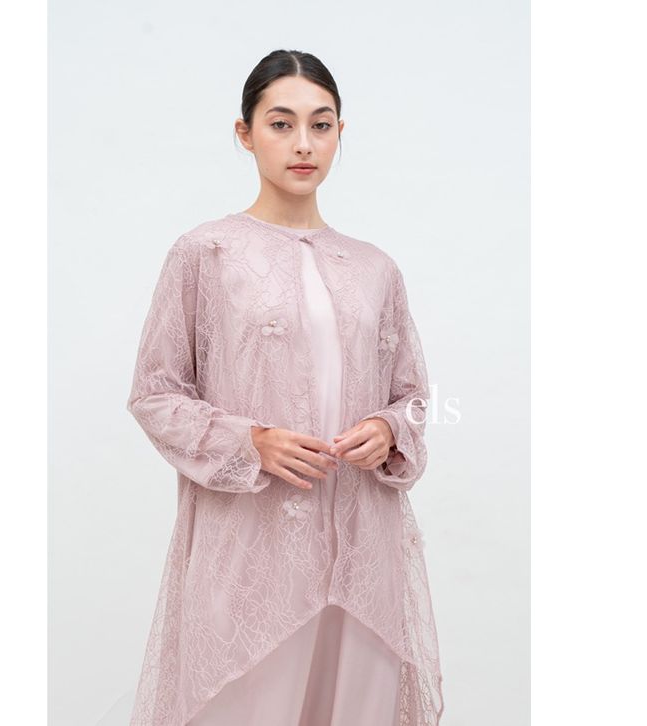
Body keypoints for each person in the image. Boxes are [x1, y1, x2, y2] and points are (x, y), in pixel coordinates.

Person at [126, 49, 444, 726]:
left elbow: (414, 396)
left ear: (339, 133)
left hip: (363, 555)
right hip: (251, 549)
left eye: (321, 125)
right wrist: (253, 441)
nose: (304, 144)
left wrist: (389, 429)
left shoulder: (374, 269)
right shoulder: (206, 253)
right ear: (245, 133)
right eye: (281, 124)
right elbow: (155, 393)